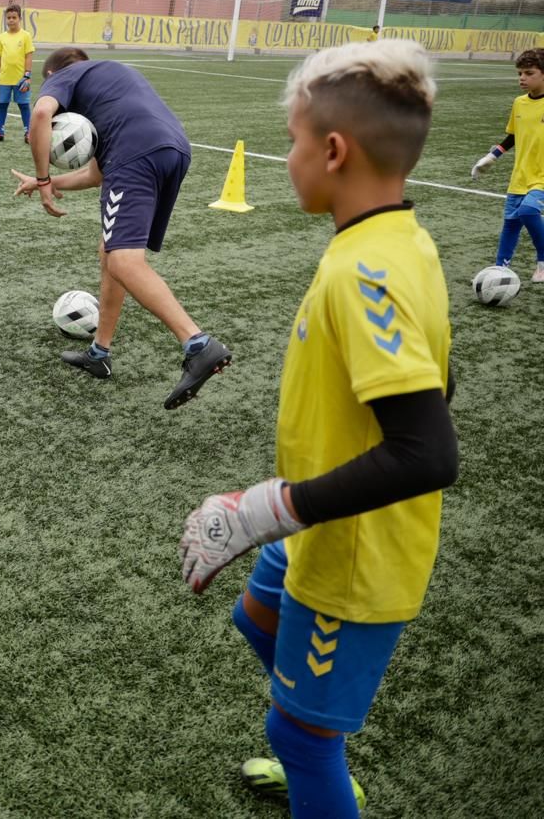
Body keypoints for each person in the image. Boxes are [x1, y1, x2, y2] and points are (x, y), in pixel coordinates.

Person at [179, 40, 459, 818]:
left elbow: (429, 452)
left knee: (297, 737)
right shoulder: (399, 241)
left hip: (356, 558)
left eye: (292, 142)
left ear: (334, 151)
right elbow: (440, 381)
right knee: (255, 615)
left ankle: (316, 760)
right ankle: (319, 751)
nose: (287, 157)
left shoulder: (365, 269)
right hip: (324, 535)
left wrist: (263, 509)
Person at [12, 47, 231, 409]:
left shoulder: (67, 74)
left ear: (53, 76)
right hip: (173, 149)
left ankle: (198, 345)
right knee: (111, 252)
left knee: (124, 262)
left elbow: (39, 114)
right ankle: (100, 353)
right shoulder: (110, 84)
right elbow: (97, 174)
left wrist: (43, 175)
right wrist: (47, 185)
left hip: (135, 154)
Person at [470, 47, 544, 283]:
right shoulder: (519, 103)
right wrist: (491, 158)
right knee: (511, 222)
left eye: (528, 73)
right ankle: (500, 269)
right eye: (520, 73)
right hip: (521, 175)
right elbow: (512, 136)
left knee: (528, 211)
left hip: (542, 177)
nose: (522, 77)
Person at [0, 5, 35, 143]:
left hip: (21, 79)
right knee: (2, 104)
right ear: (5, 19)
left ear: (20, 18)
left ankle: (29, 133)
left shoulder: (26, 36)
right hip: (4, 79)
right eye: (9, 18)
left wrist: (27, 76)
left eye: (14, 17)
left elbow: (29, 56)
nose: (11, 20)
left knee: (24, 105)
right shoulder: (2, 37)